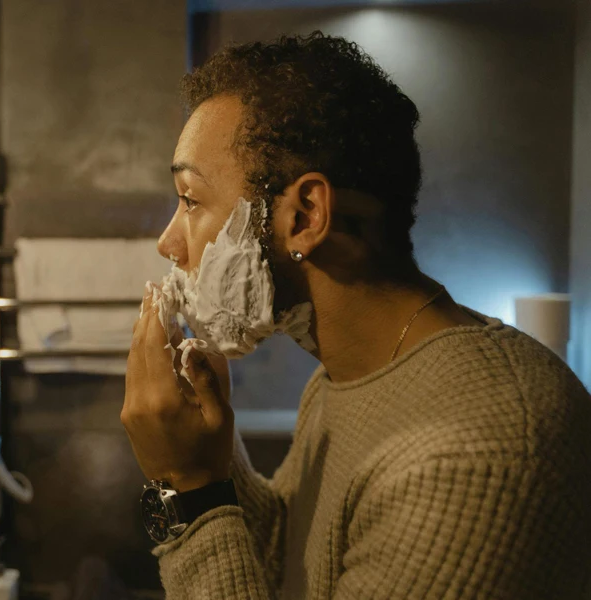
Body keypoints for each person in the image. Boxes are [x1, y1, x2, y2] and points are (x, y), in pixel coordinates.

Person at [121, 32, 591, 599]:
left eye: (191, 200)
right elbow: (290, 567)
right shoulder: (345, 375)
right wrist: (208, 454)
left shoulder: (478, 456)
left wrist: (188, 489)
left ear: (305, 216)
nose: (169, 243)